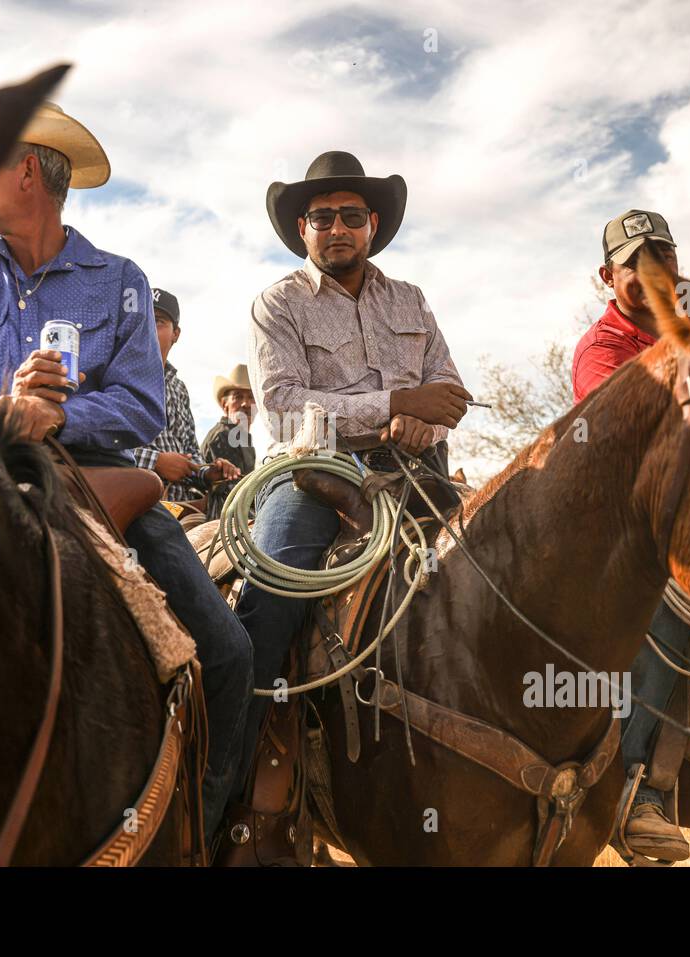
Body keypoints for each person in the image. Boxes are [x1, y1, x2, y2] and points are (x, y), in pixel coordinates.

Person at [0, 102, 251, 836]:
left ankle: (203, 829)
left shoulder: (120, 282)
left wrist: (60, 416)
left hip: (101, 487)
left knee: (229, 652)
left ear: (28, 172)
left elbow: (140, 405)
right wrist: (3, 412)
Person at [236, 150, 471, 793]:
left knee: (503, 567)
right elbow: (283, 409)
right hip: (314, 474)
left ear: (371, 224)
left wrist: (426, 419)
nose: (335, 228)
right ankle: (229, 784)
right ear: (303, 230)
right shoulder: (277, 304)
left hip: (416, 471)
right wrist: (396, 404)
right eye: (320, 217)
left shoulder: (412, 300)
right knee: (267, 603)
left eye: (349, 215)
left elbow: (447, 384)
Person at [572, 208, 690, 862]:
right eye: (633, 265)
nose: (651, 275)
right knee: (664, 604)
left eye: (662, 260)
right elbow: (639, 439)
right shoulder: (603, 348)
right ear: (606, 276)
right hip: (620, 519)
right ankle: (636, 790)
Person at [132, 288, 241, 507]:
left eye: (160, 321)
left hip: (185, 504)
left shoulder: (178, 388)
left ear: (176, 334)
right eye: (143, 320)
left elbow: (190, 451)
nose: (149, 329)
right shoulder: (117, 378)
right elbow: (100, 447)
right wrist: (156, 462)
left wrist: (207, 472)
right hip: (138, 501)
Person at [200, 364, 256, 520]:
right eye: (238, 397)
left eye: (251, 397)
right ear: (225, 405)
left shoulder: (242, 439)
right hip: (225, 516)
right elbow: (232, 492)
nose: (246, 404)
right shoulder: (223, 436)